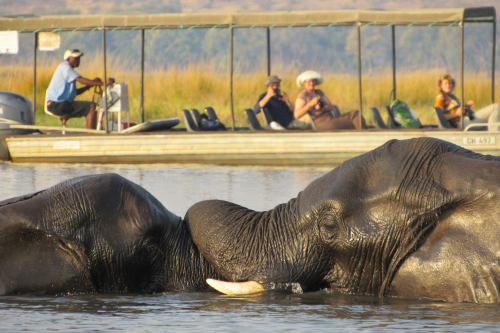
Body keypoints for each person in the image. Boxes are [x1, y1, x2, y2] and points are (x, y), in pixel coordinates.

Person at [46, 49, 110, 129]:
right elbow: (81, 80)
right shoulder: (65, 67)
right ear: (68, 58)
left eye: (79, 58)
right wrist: (104, 84)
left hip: (60, 104)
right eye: (76, 58)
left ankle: (92, 133)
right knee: (91, 106)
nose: (79, 60)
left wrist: (89, 86)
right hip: (57, 105)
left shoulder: (67, 70)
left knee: (90, 106)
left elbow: (76, 92)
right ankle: (91, 136)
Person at [294, 71, 365, 130]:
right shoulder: (303, 95)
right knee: (352, 123)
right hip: (321, 121)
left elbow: (331, 107)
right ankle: (364, 136)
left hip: (330, 117)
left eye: (313, 81)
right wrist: (310, 105)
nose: (311, 83)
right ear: (304, 83)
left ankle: (363, 134)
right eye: (308, 81)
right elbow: (297, 115)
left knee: (356, 113)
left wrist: (324, 107)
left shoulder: (319, 92)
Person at [435, 73, 500, 130]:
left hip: (467, 119)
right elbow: (438, 118)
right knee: (496, 107)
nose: (448, 86)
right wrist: (456, 114)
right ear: (441, 85)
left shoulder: (453, 97)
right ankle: (495, 135)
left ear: (453, 84)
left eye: (450, 83)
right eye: (445, 83)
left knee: (490, 119)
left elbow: (457, 109)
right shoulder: (441, 98)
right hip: (461, 122)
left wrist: (466, 106)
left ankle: (493, 134)